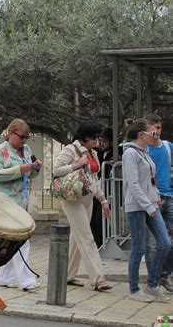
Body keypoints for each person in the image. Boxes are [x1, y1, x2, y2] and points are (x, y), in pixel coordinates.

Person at [53, 123, 112, 291]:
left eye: (98, 138)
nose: (97, 140)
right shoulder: (70, 150)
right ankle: (98, 279)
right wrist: (76, 164)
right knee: (87, 237)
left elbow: (94, 180)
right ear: (85, 137)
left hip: (87, 197)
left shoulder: (94, 153)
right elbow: (56, 170)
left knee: (77, 237)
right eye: (94, 137)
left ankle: (68, 275)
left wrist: (103, 200)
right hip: (72, 198)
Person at [0, 118, 42, 291]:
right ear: (11, 133)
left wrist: (35, 168)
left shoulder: (26, 150)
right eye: (21, 137)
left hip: (23, 202)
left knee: (11, 241)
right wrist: (20, 169)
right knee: (21, 240)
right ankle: (26, 280)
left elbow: (30, 176)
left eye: (27, 137)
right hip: (5, 203)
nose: (24, 140)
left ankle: (5, 277)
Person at [122, 119, 171, 302]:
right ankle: (134, 289)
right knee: (139, 248)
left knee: (165, 243)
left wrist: (156, 197)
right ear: (141, 135)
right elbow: (133, 185)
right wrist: (149, 206)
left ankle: (152, 284)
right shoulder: (130, 154)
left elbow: (150, 180)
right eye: (152, 132)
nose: (155, 135)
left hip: (151, 205)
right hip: (137, 207)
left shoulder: (145, 153)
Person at [143, 113, 173, 293]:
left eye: (158, 127)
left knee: (169, 241)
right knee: (153, 243)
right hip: (152, 199)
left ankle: (164, 274)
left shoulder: (168, 147)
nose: (156, 131)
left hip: (169, 196)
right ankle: (154, 279)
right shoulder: (143, 150)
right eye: (152, 128)